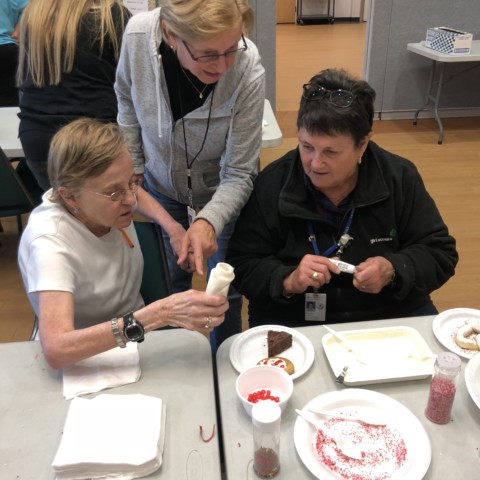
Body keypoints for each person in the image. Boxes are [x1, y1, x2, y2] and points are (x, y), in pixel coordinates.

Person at [226, 68, 458, 328]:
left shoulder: (399, 178)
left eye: (331, 152)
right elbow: (242, 264)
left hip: (389, 311)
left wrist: (393, 269)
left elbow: (440, 253)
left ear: (363, 144)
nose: (315, 163)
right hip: (296, 316)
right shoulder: (273, 184)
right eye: (306, 146)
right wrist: (289, 279)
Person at [114, 0, 266, 351]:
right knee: (171, 281)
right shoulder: (138, 37)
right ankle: (176, 358)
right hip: (160, 182)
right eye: (208, 54)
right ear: (170, 35)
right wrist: (134, 168)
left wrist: (209, 221)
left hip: (221, 189)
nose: (223, 65)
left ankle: (223, 359)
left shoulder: (248, 68)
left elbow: (240, 171)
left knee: (223, 286)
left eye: (232, 48)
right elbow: (124, 96)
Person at [18, 118, 228, 370]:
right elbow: (57, 349)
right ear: (70, 196)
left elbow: (133, 193)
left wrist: (173, 228)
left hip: (135, 337)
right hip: (84, 358)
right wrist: (159, 314)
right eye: (114, 192)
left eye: (131, 182)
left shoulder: (108, 202)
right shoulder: (49, 242)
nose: (130, 199)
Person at [17, 0, 131, 191]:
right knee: (100, 215)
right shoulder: (111, 17)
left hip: (38, 138)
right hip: (96, 140)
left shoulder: (34, 14)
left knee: (62, 213)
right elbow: (130, 85)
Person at [0, 0, 28, 106]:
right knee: (7, 106)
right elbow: (32, 5)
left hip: (6, 48)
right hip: (6, 47)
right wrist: (20, 25)